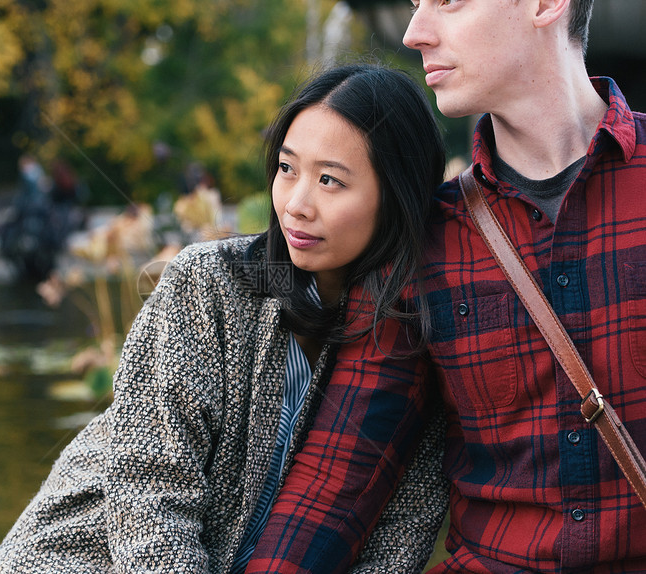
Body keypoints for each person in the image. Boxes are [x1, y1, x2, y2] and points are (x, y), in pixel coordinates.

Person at [0, 63, 449, 573]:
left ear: (398, 194)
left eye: (330, 181)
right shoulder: (208, 283)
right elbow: (150, 490)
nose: (296, 204)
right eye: (287, 168)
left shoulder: (418, 337)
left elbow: (402, 532)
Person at [245, 0, 646, 572]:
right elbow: (336, 482)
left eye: (448, 2)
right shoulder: (423, 240)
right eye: (413, 6)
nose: (414, 33)